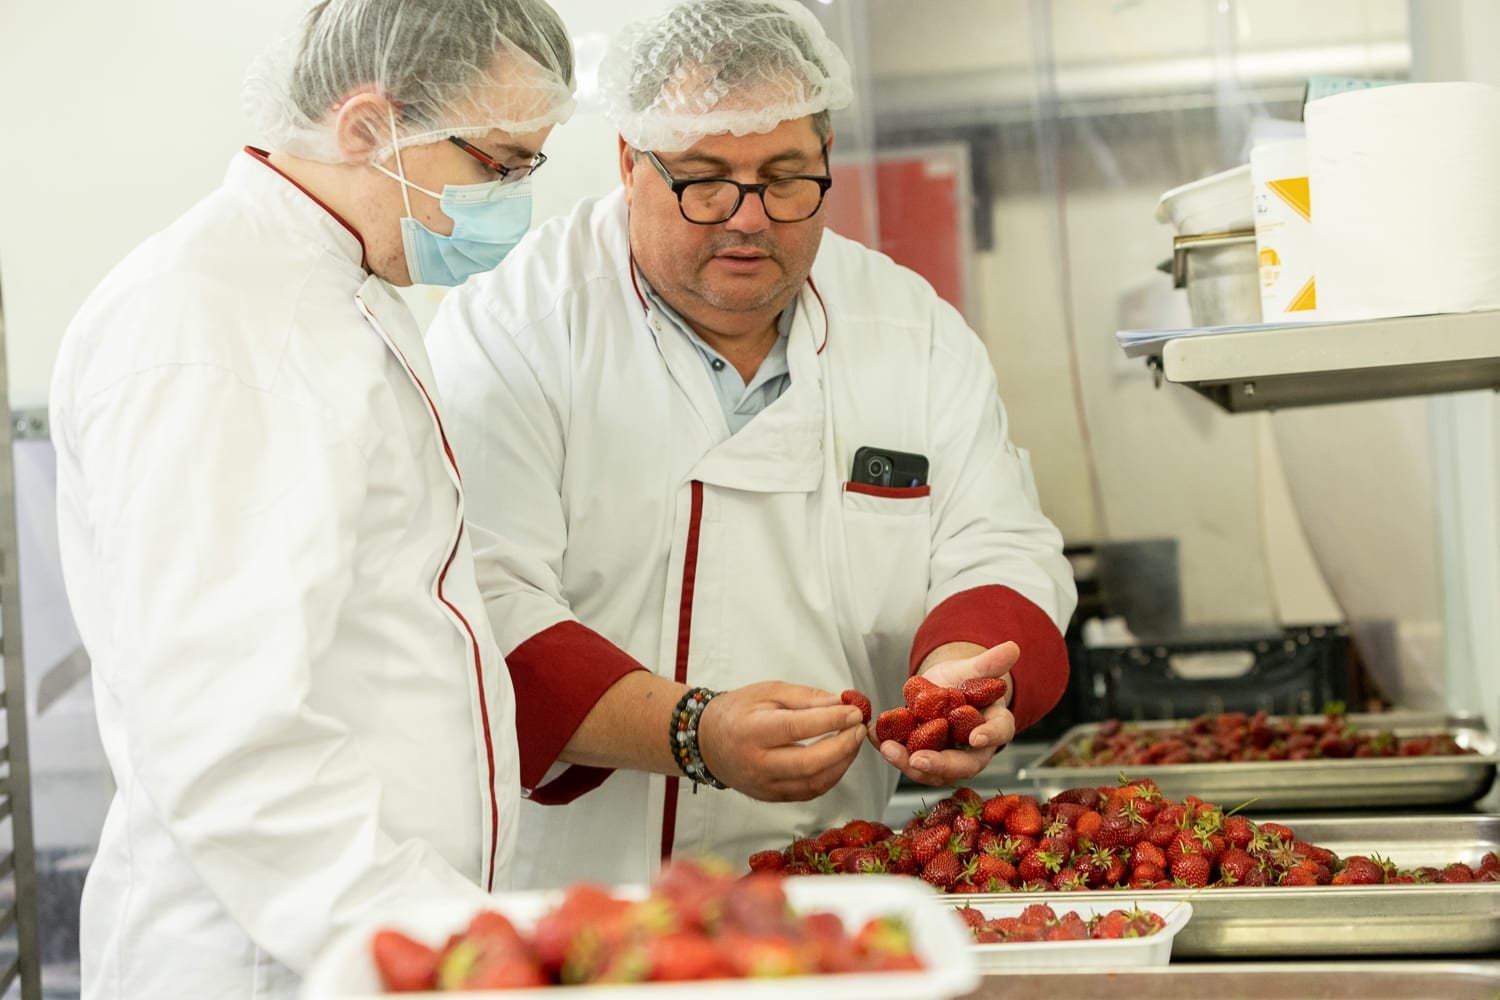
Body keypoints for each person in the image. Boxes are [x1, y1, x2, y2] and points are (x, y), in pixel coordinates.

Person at [426, 0, 1077, 890]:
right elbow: (481, 599)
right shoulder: (519, 326)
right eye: (703, 179)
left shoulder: (909, 328)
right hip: (576, 889)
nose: (747, 218)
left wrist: (963, 678)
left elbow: (998, 545)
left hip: (832, 876)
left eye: (784, 177)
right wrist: (693, 730)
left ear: (826, 160)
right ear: (628, 162)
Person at [49, 2, 574, 997]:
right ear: (367, 125)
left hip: (371, 933)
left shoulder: (335, 285)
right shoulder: (208, 326)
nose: (514, 202)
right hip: (266, 955)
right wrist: (461, 940)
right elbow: (227, 735)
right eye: (500, 165)